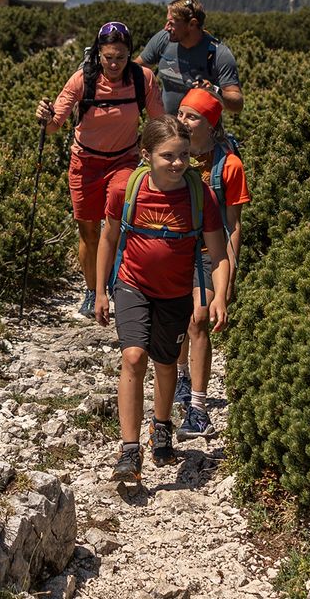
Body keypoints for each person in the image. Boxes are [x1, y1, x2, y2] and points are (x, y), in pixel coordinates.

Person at [96, 115, 229, 483]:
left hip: (175, 292)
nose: (178, 163)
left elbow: (218, 254)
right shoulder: (124, 188)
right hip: (131, 284)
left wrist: (218, 297)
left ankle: (162, 425)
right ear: (146, 155)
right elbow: (108, 239)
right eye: (168, 156)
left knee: (166, 363)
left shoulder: (201, 195)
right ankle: (129, 450)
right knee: (134, 357)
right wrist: (99, 290)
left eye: (184, 155)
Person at [36, 22, 163, 317]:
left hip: (124, 160)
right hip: (85, 163)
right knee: (89, 231)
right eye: (108, 57)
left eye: (121, 57)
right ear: (98, 54)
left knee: (116, 219)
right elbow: (54, 126)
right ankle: (92, 290)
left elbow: (158, 123)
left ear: (130, 54)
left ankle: (114, 284)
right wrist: (45, 117)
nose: (115, 63)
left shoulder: (143, 79)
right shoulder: (82, 80)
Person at [171, 87, 249, 439]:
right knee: (179, 319)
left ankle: (198, 409)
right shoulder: (172, 154)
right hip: (173, 250)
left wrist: (227, 278)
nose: (182, 120)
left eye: (191, 116)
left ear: (211, 123)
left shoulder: (229, 166)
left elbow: (233, 225)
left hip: (208, 255)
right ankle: (182, 377)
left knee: (199, 318)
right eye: (181, 113)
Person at [137, 0, 242, 119]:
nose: (166, 28)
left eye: (171, 23)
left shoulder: (218, 54)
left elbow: (237, 105)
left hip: (200, 133)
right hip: (167, 129)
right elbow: (136, 70)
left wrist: (214, 90)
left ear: (192, 24)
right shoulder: (164, 39)